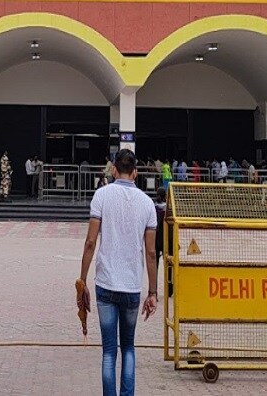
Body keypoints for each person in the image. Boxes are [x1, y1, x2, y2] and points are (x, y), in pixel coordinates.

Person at [79, 149, 157, 396]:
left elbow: (90, 242)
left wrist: (82, 279)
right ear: (135, 172)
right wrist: (153, 292)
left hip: (105, 285)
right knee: (129, 348)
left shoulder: (101, 196)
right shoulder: (147, 203)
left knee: (109, 352)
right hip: (132, 286)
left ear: (114, 170)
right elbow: (151, 253)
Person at [153, 187, 167, 275]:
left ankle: (154, 285)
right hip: (165, 238)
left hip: (155, 237)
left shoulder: (153, 207)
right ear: (165, 195)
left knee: (155, 263)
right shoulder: (168, 208)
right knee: (168, 261)